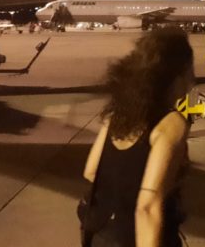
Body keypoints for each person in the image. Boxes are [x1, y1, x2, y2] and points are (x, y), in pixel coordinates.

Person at [82, 28, 195, 247]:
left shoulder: (118, 115)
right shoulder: (171, 124)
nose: (193, 79)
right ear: (175, 75)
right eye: (190, 70)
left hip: (100, 236)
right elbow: (147, 207)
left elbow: (91, 171)